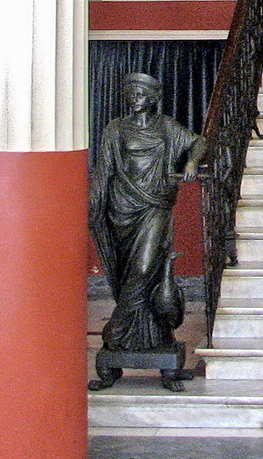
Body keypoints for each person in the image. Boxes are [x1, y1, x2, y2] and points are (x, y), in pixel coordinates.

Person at [89, 72, 207, 353]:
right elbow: (105, 171)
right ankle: (144, 336)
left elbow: (199, 142)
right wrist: (94, 205)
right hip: (121, 208)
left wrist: (191, 163)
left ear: (153, 98)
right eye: (130, 95)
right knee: (129, 271)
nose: (134, 99)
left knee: (144, 267)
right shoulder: (115, 129)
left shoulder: (166, 127)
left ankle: (115, 328)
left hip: (155, 206)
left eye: (140, 94)